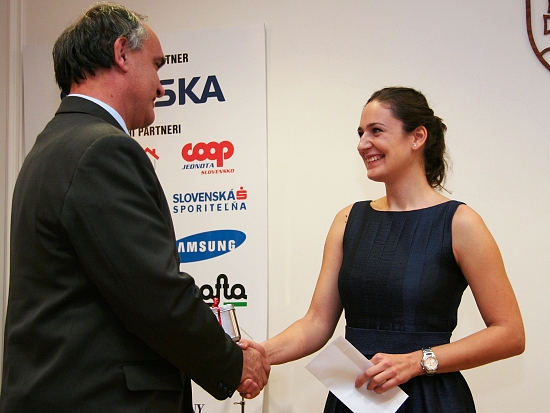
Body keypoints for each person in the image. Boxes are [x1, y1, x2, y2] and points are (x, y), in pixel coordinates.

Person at [0, 3, 268, 413]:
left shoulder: (51, 146)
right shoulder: (103, 149)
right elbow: (153, 295)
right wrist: (233, 365)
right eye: (157, 65)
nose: (162, 87)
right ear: (122, 53)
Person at [246, 86, 525, 412]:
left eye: (376, 131)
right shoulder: (348, 220)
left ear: (417, 137)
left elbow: (510, 334)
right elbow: (316, 323)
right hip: (356, 398)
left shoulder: (461, 223)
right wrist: (259, 354)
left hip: (429, 400)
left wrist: (416, 362)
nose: (363, 144)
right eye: (361, 133)